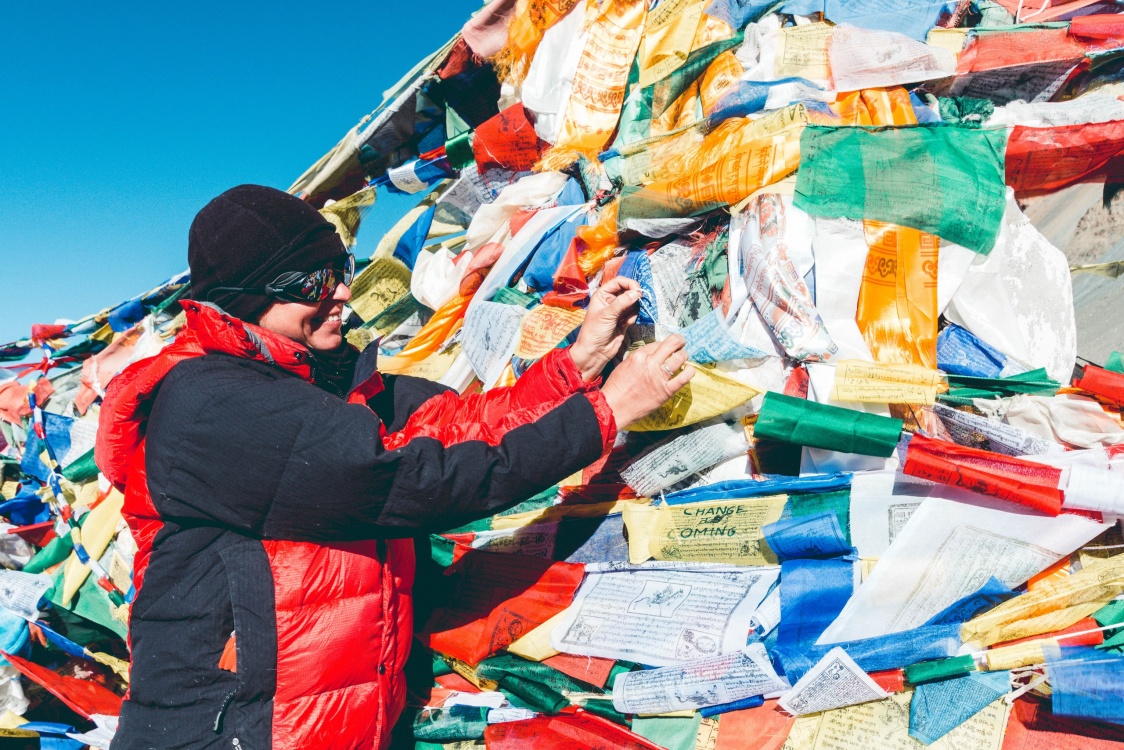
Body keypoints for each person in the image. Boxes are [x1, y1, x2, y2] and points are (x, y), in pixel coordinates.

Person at [96, 185, 694, 749]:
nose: (341, 295)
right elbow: (413, 478)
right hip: (228, 731)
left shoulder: (324, 381)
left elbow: (459, 427)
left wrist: (576, 367)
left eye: (343, 271)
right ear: (251, 298)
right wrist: (607, 412)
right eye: (314, 282)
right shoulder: (212, 405)